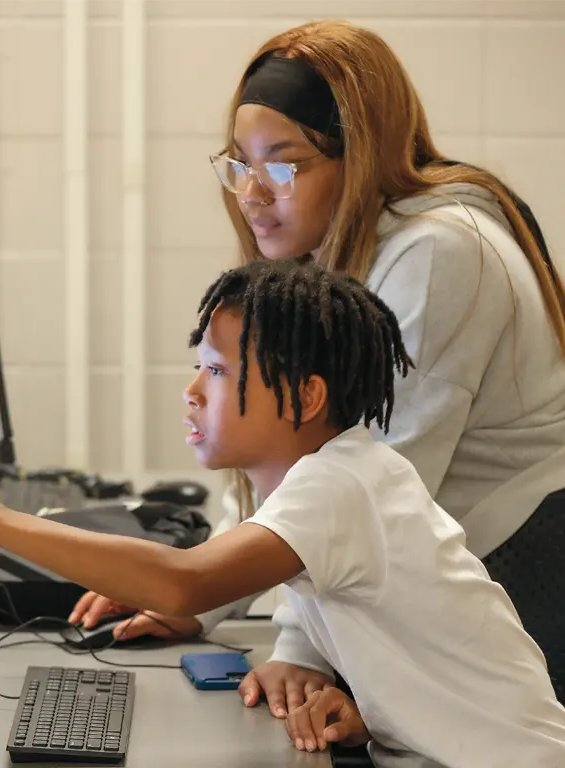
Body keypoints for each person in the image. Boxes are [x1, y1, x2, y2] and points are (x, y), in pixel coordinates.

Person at [70, 18, 565, 711]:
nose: (252, 193)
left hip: (528, 583)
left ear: (358, 156)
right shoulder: (327, 251)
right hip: (442, 580)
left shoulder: (439, 253)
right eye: (239, 162)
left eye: (283, 163)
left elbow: (369, 486)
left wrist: (295, 645)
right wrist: (204, 594)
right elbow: (286, 461)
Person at [0, 259, 565, 767]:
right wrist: (370, 702)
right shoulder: (328, 480)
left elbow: (187, 579)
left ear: (305, 397)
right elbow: (323, 608)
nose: (191, 392)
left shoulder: (341, 486)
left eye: (216, 372)